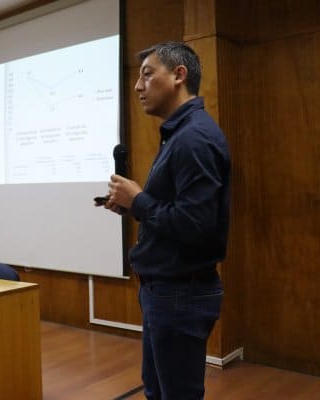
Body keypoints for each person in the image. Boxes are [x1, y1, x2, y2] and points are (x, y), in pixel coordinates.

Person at [97, 42, 231, 399]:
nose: (137, 86)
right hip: (166, 292)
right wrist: (133, 205)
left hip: (180, 295)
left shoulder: (193, 139)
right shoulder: (179, 134)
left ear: (178, 75)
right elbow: (179, 211)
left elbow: (196, 226)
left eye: (147, 74)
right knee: (157, 391)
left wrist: (139, 200)